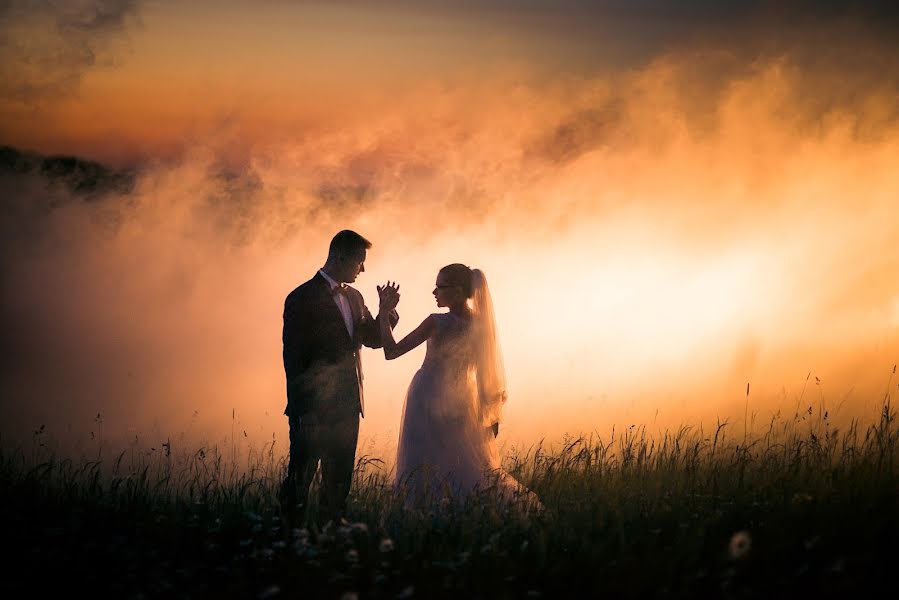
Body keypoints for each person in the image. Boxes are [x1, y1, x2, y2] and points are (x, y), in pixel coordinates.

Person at [377, 264, 540, 509]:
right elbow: (487, 374)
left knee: (423, 461)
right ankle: (466, 510)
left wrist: (384, 312)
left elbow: (391, 351)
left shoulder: (436, 322)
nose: (434, 291)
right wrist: (490, 415)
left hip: (428, 396)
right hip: (464, 399)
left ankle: (425, 513)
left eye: (441, 286)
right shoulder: (481, 327)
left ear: (459, 290)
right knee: (461, 462)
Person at [280, 230, 398, 522]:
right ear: (339, 256)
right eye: (360, 261)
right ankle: (286, 537)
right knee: (300, 478)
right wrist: (303, 410)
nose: (364, 269)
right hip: (313, 410)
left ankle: (329, 538)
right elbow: (294, 360)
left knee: (338, 482)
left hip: (348, 406)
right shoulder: (301, 297)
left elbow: (373, 339)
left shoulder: (356, 297)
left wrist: (387, 312)